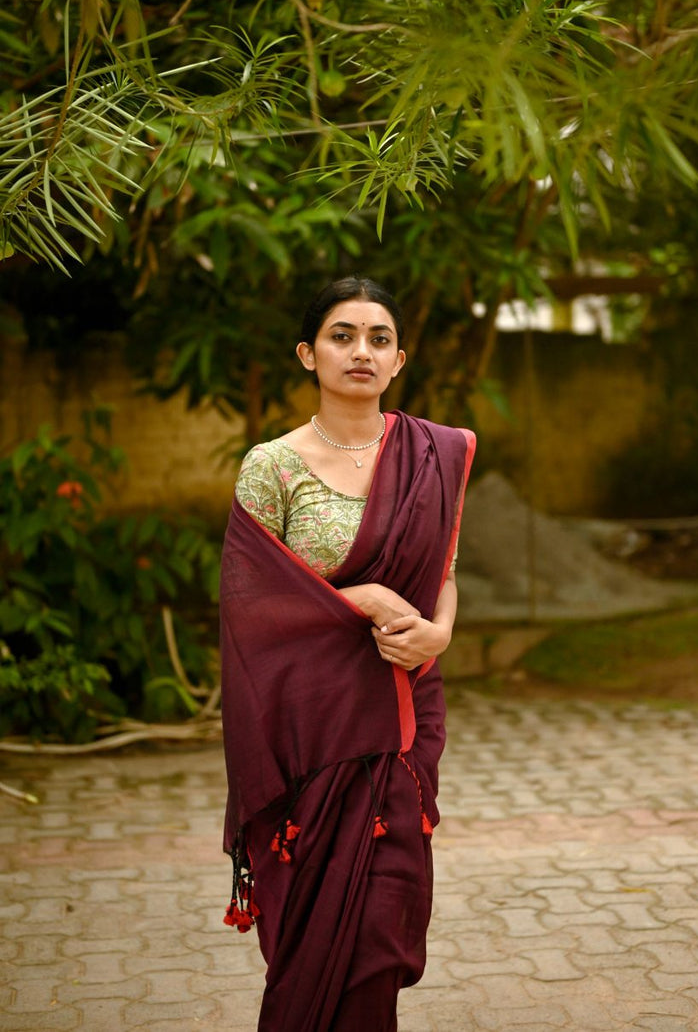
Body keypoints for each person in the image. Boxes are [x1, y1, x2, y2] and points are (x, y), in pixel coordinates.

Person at [219, 275, 476, 1032]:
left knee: (376, 934)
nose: (361, 350)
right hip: (309, 732)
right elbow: (249, 609)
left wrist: (441, 633)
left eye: (379, 338)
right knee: (312, 935)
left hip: (401, 716)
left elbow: (446, 575)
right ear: (307, 353)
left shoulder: (436, 454)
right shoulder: (273, 465)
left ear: (399, 360)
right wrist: (356, 599)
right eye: (341, 334)